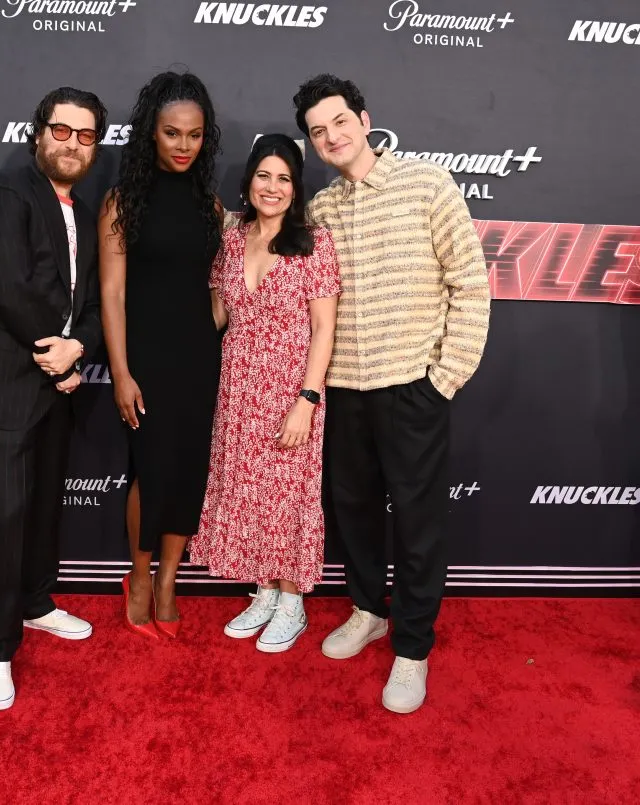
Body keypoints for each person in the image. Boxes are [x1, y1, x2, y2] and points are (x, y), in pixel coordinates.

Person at [294, 74, 490, 713]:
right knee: (351, 513)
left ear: (364, 119)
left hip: (412, 389)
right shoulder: (319, 209)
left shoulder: (428, 183)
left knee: (416, 523)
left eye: (339, 122)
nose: (331, 137)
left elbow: (469, 282)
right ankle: (365, 610)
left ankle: (411, 644)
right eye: (318, 132)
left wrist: (443, 379)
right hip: (343, 392)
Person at [0, 87, 105, 710]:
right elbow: (11, 287)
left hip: (57, 385)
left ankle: (38, 603)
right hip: (7, 383)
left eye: (85, 136)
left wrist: (79, 350)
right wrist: (58, 354)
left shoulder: (87, 212)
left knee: (43, 509)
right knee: (4, 518)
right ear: (38, 131)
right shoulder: (3, 191)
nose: (71, 144)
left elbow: (91, 303)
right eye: (61, 131)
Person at [191, 134, 340, 653]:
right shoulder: (231, 241)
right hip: (237, 387)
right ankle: (262, 590)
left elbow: (324, 329)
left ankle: (292, 601)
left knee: (286, 497)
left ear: (296, 189)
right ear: (249, 180)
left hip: (290, 389)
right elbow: (216, 315)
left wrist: (308, 398)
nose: (272, 187)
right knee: (249, 491)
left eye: (284, 179)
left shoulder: (314, 243)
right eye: (264, 176)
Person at [98, 71, 223, 639]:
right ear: (151, 132)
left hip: (198, 356)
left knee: (188, 470)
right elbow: (113, 294)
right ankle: (141, 575)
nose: (182, 145)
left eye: (194, 135)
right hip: (144, 357)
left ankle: (171, 579)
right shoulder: (122, 202)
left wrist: (217, 323)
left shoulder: (212, 207)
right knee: (151, 468)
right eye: (172, 133)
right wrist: (121, 372)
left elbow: (219, 290)